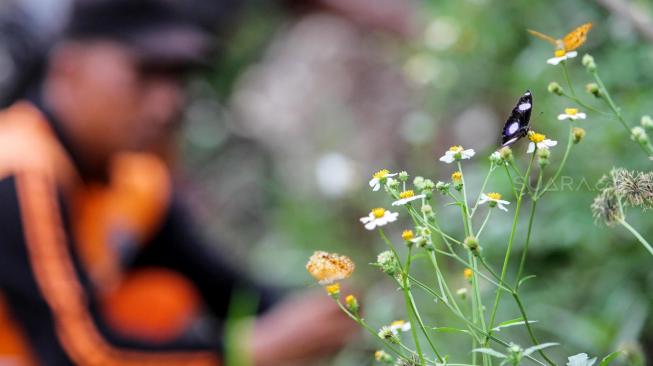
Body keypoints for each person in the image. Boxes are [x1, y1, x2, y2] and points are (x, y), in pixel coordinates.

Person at [0, 0, 356, 365]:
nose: (168, 103)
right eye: (146, 73)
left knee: (161, 300)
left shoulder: (136, 179)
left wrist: (334, 312)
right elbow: (75, 354)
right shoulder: (20, 167)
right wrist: (240, 353)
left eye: (177, 77)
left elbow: (224, 289)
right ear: (69, 69)